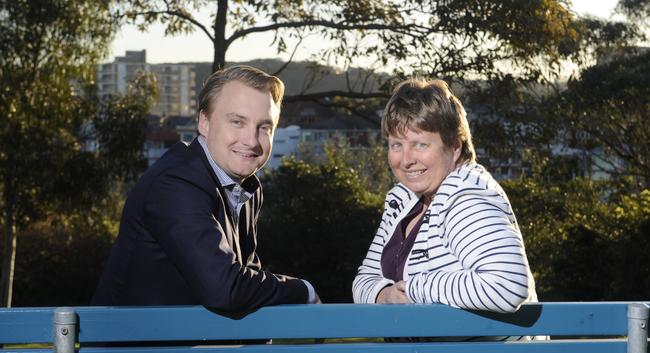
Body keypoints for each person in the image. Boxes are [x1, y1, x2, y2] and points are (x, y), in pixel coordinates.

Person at [92, 65, 319, 310]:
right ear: (204, 122)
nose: (252, 141)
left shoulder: (246, 187)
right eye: (237, 122)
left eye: (264, 128)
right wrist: (303, 291)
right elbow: (225, 289)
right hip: (133, 347)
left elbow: (249, 284)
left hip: (188, 344)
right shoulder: (176, 183)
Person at [353, 78, 538, 316]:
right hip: (425, 352)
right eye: (396, 145)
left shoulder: (466, 197)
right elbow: (363, 280)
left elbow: (508, 285)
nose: (406, 159)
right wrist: (385, 294)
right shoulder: (403, 200)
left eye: (420, 144)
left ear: (454, 146)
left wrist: (416, 289)